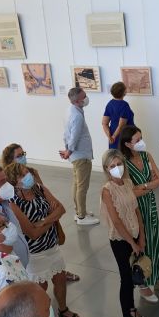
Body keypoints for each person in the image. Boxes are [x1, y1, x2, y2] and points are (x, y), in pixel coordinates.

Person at [4, 162, 80, 317]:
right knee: (40, 288)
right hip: (34, 253)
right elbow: (32, 233)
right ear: (14, 182)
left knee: (60, 279)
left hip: (52, 246)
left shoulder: (39, 189)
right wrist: (50, 219)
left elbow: (61, 209)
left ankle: (63, 308)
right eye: (23, 175)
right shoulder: (13, 202)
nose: (28, 176)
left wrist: (43, 221)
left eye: (27, 172)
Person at [119, 125, 159, 303]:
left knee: (155, 240)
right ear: (128, 144)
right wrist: (148, 185)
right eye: (137, 140)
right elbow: (130, 193)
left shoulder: (146, 155)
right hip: (135, 209)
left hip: (150, 206)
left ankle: (158, 278)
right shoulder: (123, 164)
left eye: (141, 138)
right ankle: (142, 284)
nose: (141, 142)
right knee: (141, 244)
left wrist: (142, 186)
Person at [99, 149, 147, 317]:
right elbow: (116, 221)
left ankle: (133, 309)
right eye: (112, 166)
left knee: (135, 273)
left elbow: (136, 211)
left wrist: (141, 237)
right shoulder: (107, 190)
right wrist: (131, 243)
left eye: (119, 164)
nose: (117, 168)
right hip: (120, 241)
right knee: (126, 279)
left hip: (135, 235)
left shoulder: (128, 183)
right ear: (106, 169)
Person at [60, 87, 99, 226]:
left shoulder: (70, 110)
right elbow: (75, 136)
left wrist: (67, 150)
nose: (86, 98)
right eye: (84, 96)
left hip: (76, 154)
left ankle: (79, 211)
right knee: (82, 186)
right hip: (81, 155)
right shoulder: (76, 115)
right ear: (77, 101)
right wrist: (69, 150)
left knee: (77, 184)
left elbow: (66, 133)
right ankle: (82, 217)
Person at [102, 82, 135, 149]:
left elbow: (104, 123)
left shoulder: (110, 104)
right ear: (124, 92)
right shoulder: (124, 105)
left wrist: (110, 137)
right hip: (124, 135)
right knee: (124, 156)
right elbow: (121, 125)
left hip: (113, 133)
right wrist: (114, 137)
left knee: (114, 156)